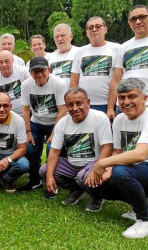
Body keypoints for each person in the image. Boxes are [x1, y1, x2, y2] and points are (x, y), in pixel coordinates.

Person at [82, 78, 148, 238]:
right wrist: (106, 170)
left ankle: (144, 219)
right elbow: (117, 151)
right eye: (122, 97)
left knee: (121, 172)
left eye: (132, 96)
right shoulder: (119, 119)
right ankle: (137, 205)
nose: (126, 102)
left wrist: (103, 163)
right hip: (134, 170)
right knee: (92, 183)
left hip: (143, 167)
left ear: (144, 98)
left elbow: (141, 154)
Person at [39, 87, 112, 208]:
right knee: (44, 170)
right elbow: (54, 151)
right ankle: (77, 189)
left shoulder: (100, 117)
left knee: (82, 176)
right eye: (70, 105)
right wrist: (49, 176)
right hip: (72, 164)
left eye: (79, 103)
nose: (75, 108)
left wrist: (98, 168)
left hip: (93, 163)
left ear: (88, 102)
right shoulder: (62, 122)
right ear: (66, 106)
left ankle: (97, 196)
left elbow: (107, 147)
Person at [19, 57, 67, 192]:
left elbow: (63, 110)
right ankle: (35, 180)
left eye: (42, 70)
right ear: (30, 72)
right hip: (37, 122)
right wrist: (28, 131)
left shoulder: (59, 84)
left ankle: (53, 182)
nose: (39, 74)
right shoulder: (26, 85)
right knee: (30, 149)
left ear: (49, 70)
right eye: (35, 71)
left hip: (55, 122)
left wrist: (54, 133)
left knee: (53, 149)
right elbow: (25, 109)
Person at [70, 16, 121, 114]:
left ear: (105, 29)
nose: (94, 29)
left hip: (109, 105)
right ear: (87, 32)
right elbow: (74, 80)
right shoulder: (79, 52)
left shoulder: (117, 48)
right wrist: (75, 103)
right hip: (84, 105)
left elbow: (117, 79)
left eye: (98, 26)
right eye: (90, 27)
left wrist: (110, 108)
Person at [107, 5, 148, 120]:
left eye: (142, 17)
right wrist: (110, 108)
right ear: (129, 23)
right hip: (125, 105)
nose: (138, 21)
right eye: (133, 19)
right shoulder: (123, 47)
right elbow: (116, 79)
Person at [0, 50, 30, 115]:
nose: (4, 65)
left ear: (12, 61)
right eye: (0, 62)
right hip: (7, 114)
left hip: (26, 112)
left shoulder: (23, 72)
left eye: (7, 61)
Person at [49, 23, 79, 88]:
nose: (59, 39)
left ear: (71, 36)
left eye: (62, 35)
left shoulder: (79, 53)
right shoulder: (50, 57)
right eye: (56, 37)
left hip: (73, 95)